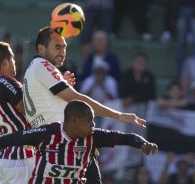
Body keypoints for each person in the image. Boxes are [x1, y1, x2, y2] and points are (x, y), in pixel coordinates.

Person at [23, 26, 146, 184]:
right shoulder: (42, 66)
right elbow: (76, 99)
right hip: (63, 144)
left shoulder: (34, 70)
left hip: (55, 145)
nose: (62, 52)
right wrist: (119, 115)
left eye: (64, 47)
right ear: (41, 48)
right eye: (57, 47)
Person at [0, 100, 158, 184]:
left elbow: (125, 137)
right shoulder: (47, 133)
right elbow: (8, 140)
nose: (93, 124)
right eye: (89, 120)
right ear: (73, 121)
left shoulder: (93, 137)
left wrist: (142, 144)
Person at [0, 41, 35, 184]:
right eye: (12, 59)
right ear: (5, 62)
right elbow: (25, 107)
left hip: (4, 158)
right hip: (19, 158)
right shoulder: (3, 81)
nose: (15, 62)